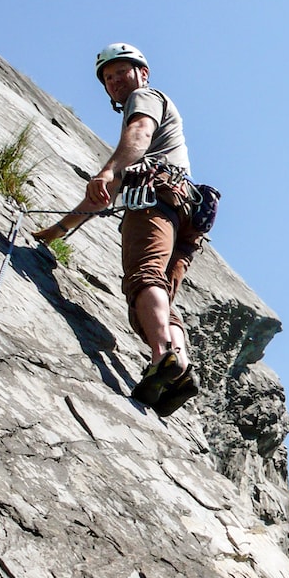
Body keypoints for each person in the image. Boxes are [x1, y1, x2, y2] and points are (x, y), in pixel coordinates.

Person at [35, 43, 202, 416]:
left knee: (144, 278)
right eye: (107, 79)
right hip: (187, 217)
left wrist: (108, 170)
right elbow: (101, 200)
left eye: (120, 72)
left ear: (142, 73)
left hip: (157, 199)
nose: (113, 82)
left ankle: (162, 356)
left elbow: (140, 133)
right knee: (159, 295)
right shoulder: (158, 121)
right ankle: (180, 368)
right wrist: (57, 231)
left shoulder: (145, 99)